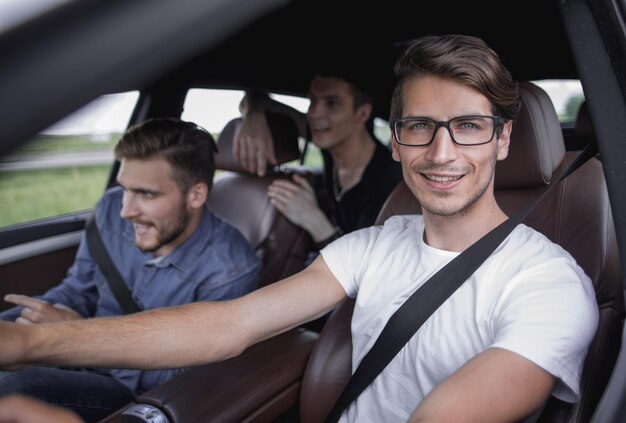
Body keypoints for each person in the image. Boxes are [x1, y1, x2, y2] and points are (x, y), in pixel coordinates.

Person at [0, 35, 598, 422]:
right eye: (419, 126)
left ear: (503, 139)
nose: (441, 152)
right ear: (395, 140)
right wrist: (33, 344)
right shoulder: (371, 245)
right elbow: (230, 324)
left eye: (468, 126)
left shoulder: (548, 283)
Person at [0, 117, 261, 422]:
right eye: (125, 189)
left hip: (126, 388)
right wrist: (42, 316)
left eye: (147, 194)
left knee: (16, 387)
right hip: (76, 339)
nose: (126, 210)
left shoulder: (231, 269)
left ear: (196, 196)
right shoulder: (111, 208)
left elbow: (182, 378)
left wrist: (71, 338)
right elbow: (78, 287)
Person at [235, 75, 403, 251]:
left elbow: (362, 268)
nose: (313, 113)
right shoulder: (330, 144)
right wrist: (255, 115)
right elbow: (258, 99)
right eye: (312, 101)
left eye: (332, 103)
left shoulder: (389, 182)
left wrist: (313, 219)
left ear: (362, 113)